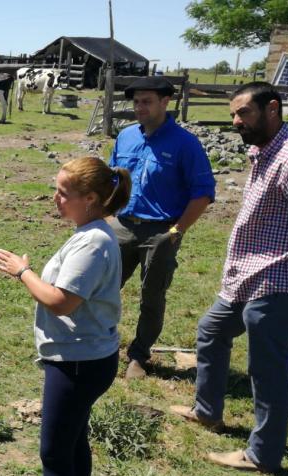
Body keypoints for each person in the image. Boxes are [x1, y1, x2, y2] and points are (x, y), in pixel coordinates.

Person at [0, 157, 132, 476]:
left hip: (77, 362)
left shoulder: (93, 243)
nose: (54, 198)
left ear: (89, 198)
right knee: (74, 441)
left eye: (62, 193)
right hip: (87, 356)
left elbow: (61, 301)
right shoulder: (92, 233)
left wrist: (22, 272)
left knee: (54, 452)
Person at [169, 82, 288, 473]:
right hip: (247, 274)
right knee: (211, 330)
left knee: (268, 368)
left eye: (244, 113)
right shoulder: (263, 151)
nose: (236, 122)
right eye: (233, 115)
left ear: (273, 108)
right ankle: (207, 411)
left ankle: (263, 455)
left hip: (278, 279)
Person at [109, 77, 215, 379]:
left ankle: (139, 356)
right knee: (102, 286)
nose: (140, 107)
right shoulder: (126, 136)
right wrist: (107, 217)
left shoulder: (185, 144)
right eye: (136, 102)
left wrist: (177, 230)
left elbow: (203, 193)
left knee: (152, 296)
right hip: (122, 225)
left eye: (147, 101)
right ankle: (99, 342)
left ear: (166, 102)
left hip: (160, 231)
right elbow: (111, 178)